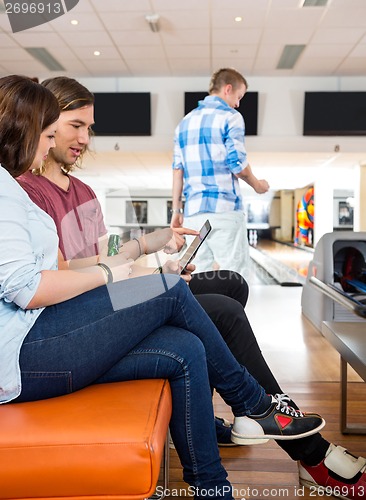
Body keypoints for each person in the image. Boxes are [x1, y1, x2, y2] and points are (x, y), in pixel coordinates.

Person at [18, 76, 366, 499]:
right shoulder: (27, 192)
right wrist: (145, 274)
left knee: (230, 285)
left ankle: (226, 414)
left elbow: (107, 252)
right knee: (222, 311)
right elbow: (61, 276)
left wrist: (154, 260)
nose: (84, 138)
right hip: (90, 307)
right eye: (74, 126)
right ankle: (292, 438)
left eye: (88, 128)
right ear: (44, 122)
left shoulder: (85, 190)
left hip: (110, 291)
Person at [171, 67, 270, 280]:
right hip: (225, 211)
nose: (238, 103)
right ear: (228, 89)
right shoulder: (231, 117)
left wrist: (176, 210)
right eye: (239, 96)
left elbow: (178, 170)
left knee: (199, 280)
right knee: (235, 278)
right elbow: (238, 165)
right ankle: (233, 315)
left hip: (193, 216)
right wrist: (258, 185)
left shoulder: (183, 124)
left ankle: (205, 316)